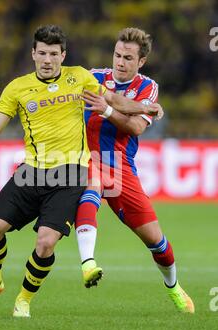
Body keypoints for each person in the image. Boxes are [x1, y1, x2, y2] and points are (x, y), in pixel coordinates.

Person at [0, 24, 162, 318]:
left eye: (54, 54)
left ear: (63, 55)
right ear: (33, 54)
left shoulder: (79, 77)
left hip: (71, 175)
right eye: (42, 53)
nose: (47, 59)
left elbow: (115, 101)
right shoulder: (16, 88)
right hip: (32, 171)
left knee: (45, 241)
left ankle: (24, 300)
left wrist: (147, 106)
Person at [75, 27, 194, 313]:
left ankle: (174, 287)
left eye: (128, 57)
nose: (120, 62)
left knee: (157, 242)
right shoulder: (93, 77)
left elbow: (137, 127)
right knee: (93, 182)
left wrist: (106, 110)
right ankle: (88, 263)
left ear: (141, 62)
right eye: (117, 55)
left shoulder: (147, 87)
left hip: (120, 167)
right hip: (85, 158)